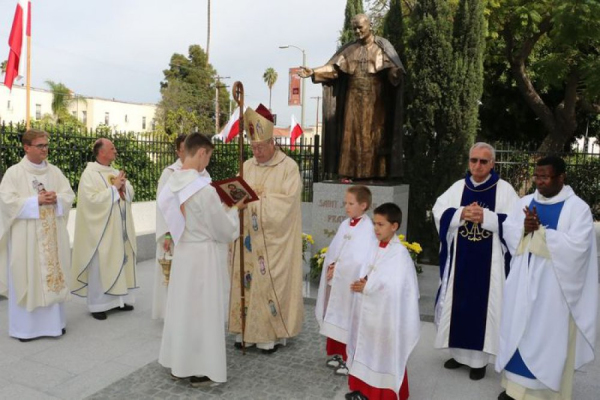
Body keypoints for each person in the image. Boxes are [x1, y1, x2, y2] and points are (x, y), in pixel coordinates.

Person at [495, 156, 598, 400]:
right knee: (518, 331)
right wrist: (524, 229)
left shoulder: (577, 208)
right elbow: (509, 230)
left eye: (545, 177)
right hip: (523, 282)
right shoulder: (525, 202)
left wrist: (540, 233)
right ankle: (513, 390)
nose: (539, 182)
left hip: (554, 290)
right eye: (537, 176)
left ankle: (541, 395)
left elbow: (579, 248)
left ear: (561, 178)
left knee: (547, 339)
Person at [157, 133, 244, 387]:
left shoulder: (171, 184)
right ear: (202, 152)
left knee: (182, 310)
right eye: (208, 156)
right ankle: (201, 369)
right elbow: (224, 230)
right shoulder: (204, 191)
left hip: (184, 252)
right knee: (202, 313)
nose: (208, 162)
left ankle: (179, 364)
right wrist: (234, 209)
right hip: (203, 256)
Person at [432, 142, 519, 380]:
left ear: (492, 164)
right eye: (473, 160)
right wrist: (460, 213)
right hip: (460, 260)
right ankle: (458, 355)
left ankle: (479, 362)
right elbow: (439, 211)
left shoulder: (504, 190)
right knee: (458, 305)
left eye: (483, 161)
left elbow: (515, 224)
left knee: (484, 308)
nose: (477, 165)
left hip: (490, 265)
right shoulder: (458, 187)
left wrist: (487, 217)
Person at [228, 104, 304, 353]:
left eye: (260, 147)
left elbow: (288, 204)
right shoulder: (247, 166)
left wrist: (257, 201)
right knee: (246, 283)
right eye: (253, 147)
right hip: (246, 240)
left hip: (272, 243)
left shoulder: (288, 167)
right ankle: (243, 332)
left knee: (265, 284)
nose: (256, 152)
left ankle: (268, 337)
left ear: (273, 143)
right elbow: (236, 195)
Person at [299, 13, 405, 179]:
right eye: (354, 28)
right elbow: (334, 69)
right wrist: (313, 71)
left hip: (375, 99)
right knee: (351, 136)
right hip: (353, 98)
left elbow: (391, 69)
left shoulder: (382, 47)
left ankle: (376, 174)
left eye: (360, 27)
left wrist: (395, 74)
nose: (357, 31)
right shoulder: (349, 49)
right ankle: (351, 173)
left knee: (374, 136)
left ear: (369, 25)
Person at [0, 129, 75, 341]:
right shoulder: (14, 173)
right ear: (27, 147)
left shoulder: (55, 172)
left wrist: (57, 198)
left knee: (53, 276)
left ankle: (55, 325)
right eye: (40, 145)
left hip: (52, 238)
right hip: (26, 240)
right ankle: (25, 330)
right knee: (28, 276)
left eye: (46, 145)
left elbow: (69, 194)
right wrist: (36, 201)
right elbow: (6, 202)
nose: (45, 149)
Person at [345, 203, 420, 400]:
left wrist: (368, 286)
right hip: (368, 314)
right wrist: (364, 280)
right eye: (374, 224)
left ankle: (381, 395)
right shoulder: (374, 245)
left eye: (381, 224)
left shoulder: (400, 254)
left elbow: (398, 288)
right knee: (364, 349)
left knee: (381, 355)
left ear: (394, 226)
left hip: (385, 318)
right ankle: (362, 390)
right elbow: (369, 270)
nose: (376, 229)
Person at [71, 138, 137, 320]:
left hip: (119, 229)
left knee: (119, 261)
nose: (115, 151)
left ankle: (119, 301)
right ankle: (98, 305)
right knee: (101, 265)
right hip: (101, 231)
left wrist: (124, 188)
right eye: (112, 148)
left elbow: (129, 193)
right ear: (101, 152)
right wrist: (114, 189)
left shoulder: (115, 171)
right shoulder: (89, 174)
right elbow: (90, 201)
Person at [315, 185, 377, 376]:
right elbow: (335, 249)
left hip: (350, 285)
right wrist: (331, 264)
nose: (346, 207)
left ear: (363, 205)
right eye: (345, 203)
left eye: (351, 203)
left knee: (350, 319)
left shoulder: (368, 229)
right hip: (338, 283)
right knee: (336, 315)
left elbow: (361, 260)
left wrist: (339, 268)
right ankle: (339, 354)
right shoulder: (345, 224)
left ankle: (351, 359)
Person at [153, 134, 203, 320]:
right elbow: (163, 205)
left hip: (195, 234)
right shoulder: (169, 173)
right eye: (184, 150)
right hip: (174, 234)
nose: (187, 153)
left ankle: (191, 312)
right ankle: (171, 314)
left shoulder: (202, 173)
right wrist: (167, 233)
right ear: (178, 151)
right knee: (173, 275)